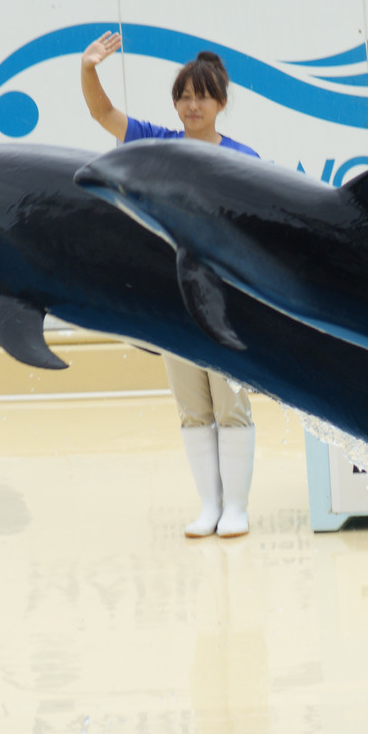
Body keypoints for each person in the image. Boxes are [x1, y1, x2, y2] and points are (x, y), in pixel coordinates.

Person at [80, 31, 259, 539]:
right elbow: (103, 114)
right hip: (174, 297)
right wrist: (89, 69)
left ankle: (236, 508)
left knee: (230, 403)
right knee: (193, 406)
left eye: (202, 96)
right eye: (184, 96)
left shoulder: (242, 158)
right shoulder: (155, 144)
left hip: (224, 298)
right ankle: (209, 507)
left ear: (220, 103)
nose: (191, 105)